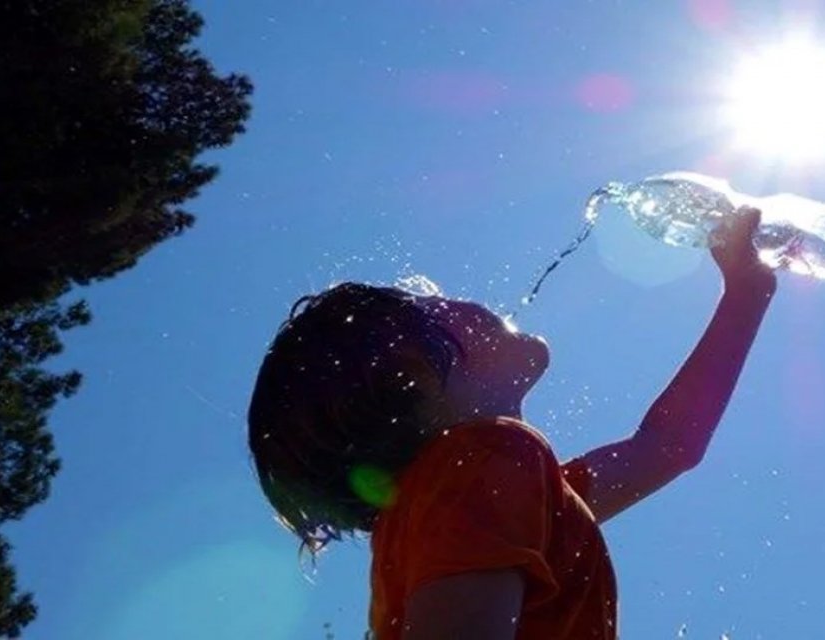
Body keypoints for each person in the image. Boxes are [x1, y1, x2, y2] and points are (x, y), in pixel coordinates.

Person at [247, 207, 776, 639]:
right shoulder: (481, 463)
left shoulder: (487, 494)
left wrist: (747, 294)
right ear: (413, 376)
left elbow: (668, 446)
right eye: (434, 308)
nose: (459, 299)